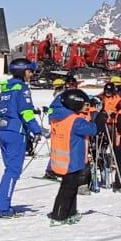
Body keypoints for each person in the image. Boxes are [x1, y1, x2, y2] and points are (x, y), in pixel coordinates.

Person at [0, 58, 47, 219]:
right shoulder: (22, 88)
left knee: (9, 170)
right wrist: (36, 130)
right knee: (13, 171)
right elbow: (26, 112)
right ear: (23, 72)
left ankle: (2, 202)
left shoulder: (6, 89)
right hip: (16, 132)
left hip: (3, 131)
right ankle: (1, 208)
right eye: (29, 71)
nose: (31, 74)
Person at [48, 88, 98, 224]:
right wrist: (96, 118)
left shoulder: (59, 115)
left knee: (70, 187)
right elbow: (92, 129)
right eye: (84, 105)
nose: (86, 108)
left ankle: (70, 212)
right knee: (67, 190)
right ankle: (59, 215)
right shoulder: (74, 120)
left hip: (62, 159)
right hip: (72, 159)